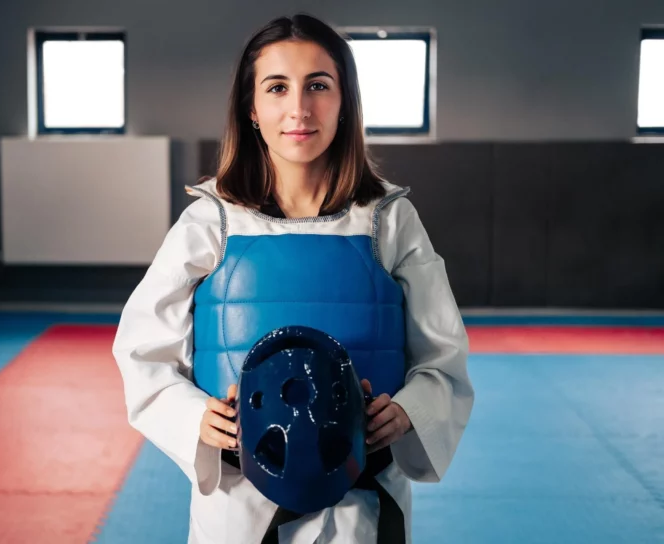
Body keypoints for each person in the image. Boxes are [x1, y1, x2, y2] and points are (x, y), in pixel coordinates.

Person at [112, 12, 474, 544]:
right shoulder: (211, 221)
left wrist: (408, 412)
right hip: (241, 502)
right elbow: (142, 349)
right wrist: (195, 419)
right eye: (277, 87)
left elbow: (444, 357)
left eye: (319, 86)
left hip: (362, 498)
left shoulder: (387, 219)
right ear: (252, 108)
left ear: (344, 102)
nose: (299, 109)